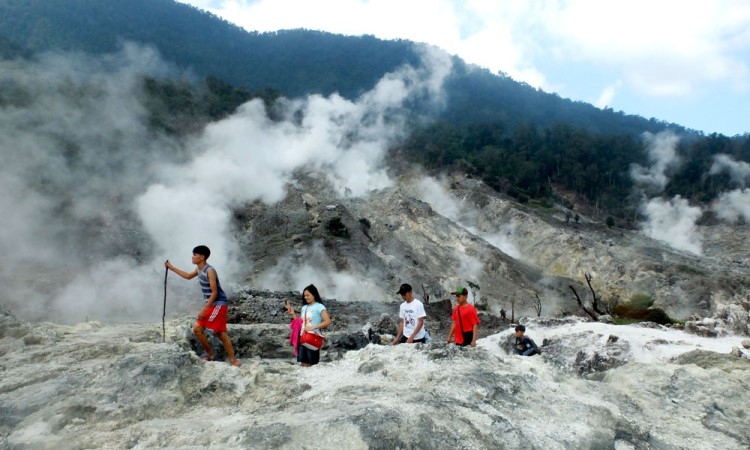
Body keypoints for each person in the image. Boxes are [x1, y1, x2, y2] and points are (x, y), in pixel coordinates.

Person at [165, 245, 240, 367]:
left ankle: (231, 360)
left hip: (219, 304)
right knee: (202, 330)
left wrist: (204, 310)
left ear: (202, 257)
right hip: (212, 304)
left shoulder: (209, 271)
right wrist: (172, 268)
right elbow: (188, 276)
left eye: (194, 255)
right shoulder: (199, 269)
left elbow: (215, 293)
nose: (192, 257)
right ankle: (211, 354)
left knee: (216, 332)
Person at [295, 284, 331, 367]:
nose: (305, 297)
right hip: (302, 337)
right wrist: (293, 314)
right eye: (304, 296)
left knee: (312, 364)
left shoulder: (319, 306)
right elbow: (302, 322)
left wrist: (313, 327)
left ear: (314, 294)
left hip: (313, 338)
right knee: (303, 363)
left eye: (308, 295)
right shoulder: (304, 307)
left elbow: (327, 321)